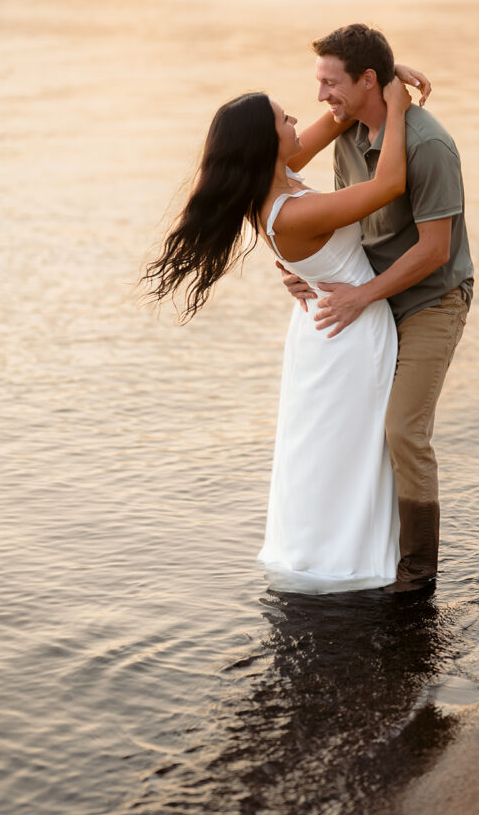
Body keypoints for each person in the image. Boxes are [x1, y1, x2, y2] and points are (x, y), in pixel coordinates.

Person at [142, 68, 428, 592]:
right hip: (347, 334)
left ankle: (338, 560)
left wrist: (379, 75)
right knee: (342, 454)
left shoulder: (273, 181)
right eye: (283, 118)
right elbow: (390, 184)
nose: (298, 117)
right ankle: (348, 568)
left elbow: (335, 118)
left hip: (323, 330)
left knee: (330, 452)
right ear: (265, 143)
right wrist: (399, 107)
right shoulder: (293, 210)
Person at [279, 24, 473, 593]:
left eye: (330, 83)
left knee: (402, 430)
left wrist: (361, 296)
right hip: (368, 292)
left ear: (366, 81)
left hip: (429, 299)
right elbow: (290, 168)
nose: (320, 97)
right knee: (355, 427)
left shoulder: (427, 145)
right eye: (319, 83)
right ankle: (364, 551)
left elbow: (435, 250)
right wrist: (302, 269)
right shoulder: (347, 125)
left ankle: (417, 573)